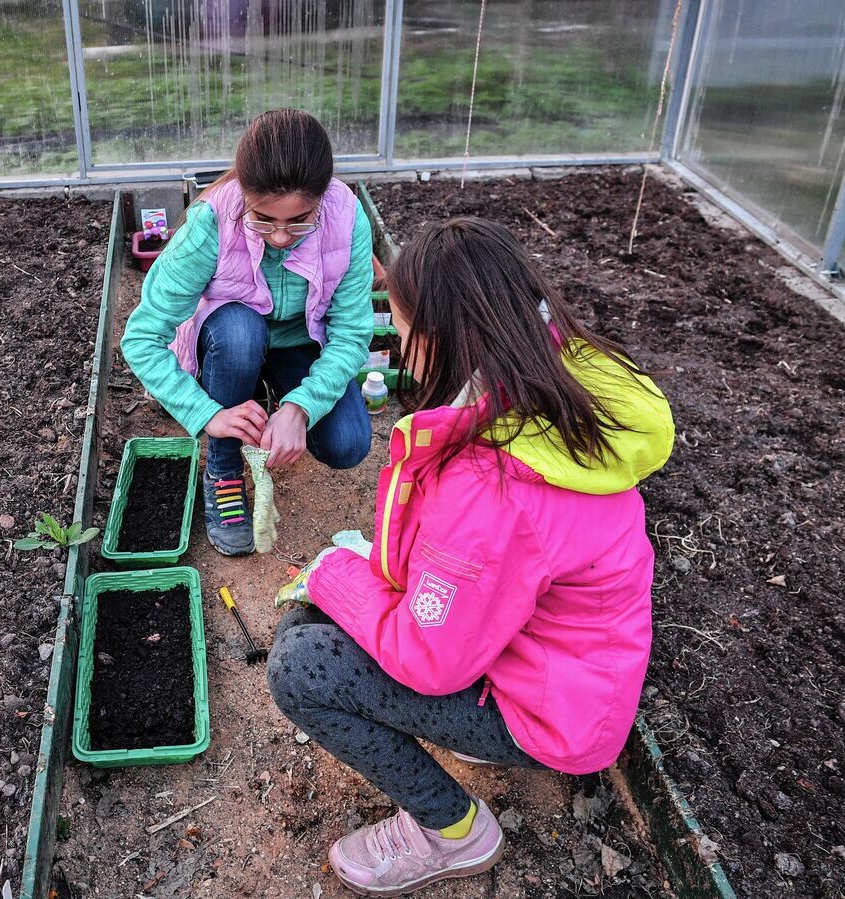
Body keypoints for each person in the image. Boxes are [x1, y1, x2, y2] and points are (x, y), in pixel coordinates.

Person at [267, 217, 675, 896]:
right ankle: (461, 739)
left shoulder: (495, 488)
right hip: (566, 672)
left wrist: (332, 573)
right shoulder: (552, 382)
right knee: (324, 616)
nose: (399, 350)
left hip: (549, 713)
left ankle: (451, 831)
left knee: (300, 661)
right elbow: (483, 571)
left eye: (401, 331)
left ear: (437, 337)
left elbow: (432, 655)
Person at [121, 109, 374, 556]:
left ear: (323, 199)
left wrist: (301, 407)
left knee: (347, 443)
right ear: (244, 193)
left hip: (300, 343)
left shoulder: (347, 218)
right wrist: (206, 415)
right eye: (263, 219)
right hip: (229, 341)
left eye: (300, 220)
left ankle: (274, 399)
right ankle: (222, 466)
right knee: (240, 331)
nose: (280, 237)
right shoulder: (211, 221)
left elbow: (352, 334)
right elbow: (141, 337)